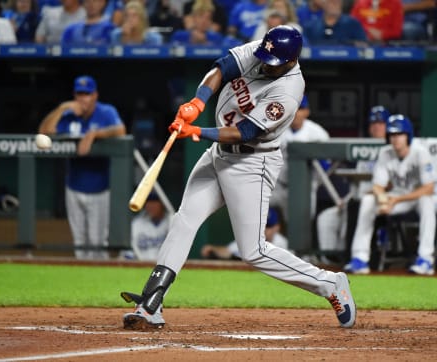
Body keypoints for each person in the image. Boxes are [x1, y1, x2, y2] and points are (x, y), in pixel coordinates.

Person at [120, 25, 356, 331]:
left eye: (273, 63)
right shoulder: (265, 49)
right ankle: (152, 302)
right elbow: (221, 67)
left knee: (253, 250)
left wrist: (197, 131)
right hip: (220, 154)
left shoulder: (288, 91)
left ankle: (330, 284)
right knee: (185, 219)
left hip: (251, 162)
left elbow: (245, 131)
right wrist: (198, 102)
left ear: (290, 60)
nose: (265, 64)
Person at [38, 75, 127, 260]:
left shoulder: (105, 111)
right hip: (74, 186)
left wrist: (94, 134)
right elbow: (44, 132)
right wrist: (61, 108)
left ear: (95, 95)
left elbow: (120, 130)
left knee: (96, 242)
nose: (82, 98)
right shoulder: (68, 113)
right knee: (79, 241)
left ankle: (99, 280)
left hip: (99, 187)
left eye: (86, 94)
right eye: (79, 94)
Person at [344, 115, 436, 275]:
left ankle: (425, 259)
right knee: (367, 200)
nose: (395, 139)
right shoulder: (385, 153)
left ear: (408, 135)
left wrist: (395, 200)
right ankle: (360, 258)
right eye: (392, 135)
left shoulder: (420, 152)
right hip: (396, 198)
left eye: (400, 134)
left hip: (417, 197)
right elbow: (378, 186)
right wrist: (383, 201)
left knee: (426, 201)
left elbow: (429, 188)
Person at [316, 105, 389, 264]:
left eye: (381, 123)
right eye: (373, 123)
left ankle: (355, 257)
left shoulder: (392, 150)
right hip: (356, 197)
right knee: (326, 218)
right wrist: (346, 199)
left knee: (354, 214)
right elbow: (357, 182)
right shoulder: (363, 151)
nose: (376, 126)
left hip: (380, 201)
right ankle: (328, 263)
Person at [269, 94, 330, 222]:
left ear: (307, 112)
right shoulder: (276, 131)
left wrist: (313, 183)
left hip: (304, 189)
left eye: (300, 109)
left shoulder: (317, 133)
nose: (296, 113)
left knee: (301, 226)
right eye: (293, 108)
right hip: (277, 187)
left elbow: (325, 167)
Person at [201, 208, 289, 260]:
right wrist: (214, 249)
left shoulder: (281, 242)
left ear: (277, 227)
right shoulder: (252, 238)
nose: (264, 229)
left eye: (268, 226)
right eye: (262, 225)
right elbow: (229, 251)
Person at [129, 192, 172, 261]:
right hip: (141, 266)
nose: (151, 206)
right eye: (148, 202)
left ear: (162, 204)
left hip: (164, 267)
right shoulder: (137, 224)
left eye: (154, 202)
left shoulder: (171, 221)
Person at [303, 0, 368, 46]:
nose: (335, 4)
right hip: (315, 64)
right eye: (331, 2)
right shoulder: (310, 26)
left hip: (347, 64)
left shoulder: (353, 24)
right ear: (323, 4)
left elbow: (364, 45)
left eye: (338, 1)